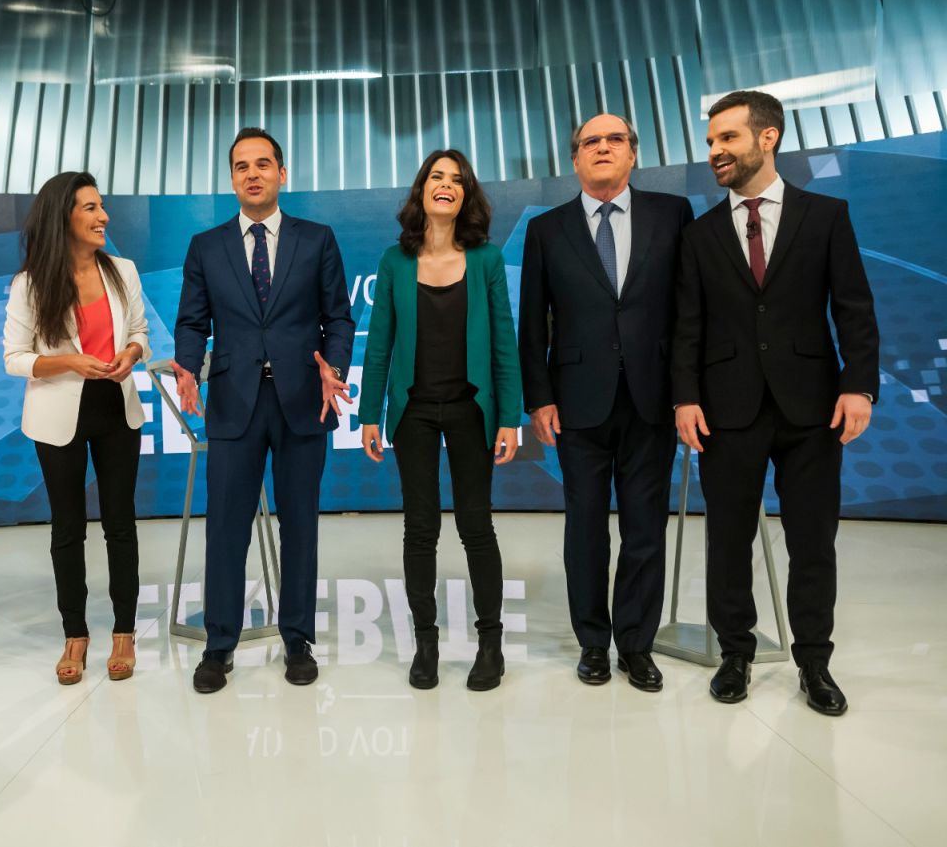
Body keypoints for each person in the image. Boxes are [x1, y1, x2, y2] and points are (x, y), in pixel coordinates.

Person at [673, 90, 879, 715]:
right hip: (725, 409)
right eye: (710, 142)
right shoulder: (701, 233)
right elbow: (687, 325)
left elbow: (854, 309)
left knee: (813, 540)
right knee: (728, 539)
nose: (715, 152)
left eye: (727, 138)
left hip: (813, 408)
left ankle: (814, 662)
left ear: (768, 138)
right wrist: (684, 397)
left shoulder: (826, 215)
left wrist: (859, 384)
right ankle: (734, 653)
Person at [173, 127, 355, 693]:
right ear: (231, 179)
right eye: (240, 166)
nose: (251, 173)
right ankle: (219, 643)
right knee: (226, 528)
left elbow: (339, 318)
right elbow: (191, 321)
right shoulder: (207, 245)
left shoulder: (317, 238)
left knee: (300, 526)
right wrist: (185, 365)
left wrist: (337, 367)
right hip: (233, 403)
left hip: (304, 402)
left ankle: (297, 639)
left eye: (262, 164)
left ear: (283, 174)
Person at [518, 114, 694, 692]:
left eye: (613, 139)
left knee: (645, 528)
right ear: (575, 160)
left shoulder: (673, 216)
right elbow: (531, 327)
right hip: (575, 404)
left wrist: (687, 392)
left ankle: (636, 646)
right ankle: (593, 642)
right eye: (589, 142)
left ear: (632, 154)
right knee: (586, 529)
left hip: (652, 399)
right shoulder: (547, 229)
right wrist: (538, 398)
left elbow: (689, 312)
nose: (601, 148)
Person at [358, 149, 520, 691]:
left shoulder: (488, 260)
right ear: (421, 190)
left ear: (466, 194)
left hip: (474, 410)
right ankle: (424, 644)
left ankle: (490, 644)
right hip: (414, 412)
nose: (445, 185)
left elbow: (504, 343)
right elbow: (379, 344)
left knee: (477, 526)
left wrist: (510, 416)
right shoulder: (394, 260)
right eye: (436, 176)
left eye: (456, 179)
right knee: (419, 528)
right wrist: (370, 414)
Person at [3, 172, 151, 685]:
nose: (102, 216)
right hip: (56, 414)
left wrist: (133, 352)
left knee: (120, 524)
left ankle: (124, 633)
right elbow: (15, 360)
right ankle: (75, 634)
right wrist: (67, 362)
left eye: (101, 206)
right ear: (62, 216)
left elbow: (139, 331)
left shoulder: (123, 270)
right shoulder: (29, 284)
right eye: (89, 208)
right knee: (67, 528)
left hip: (116, 408)